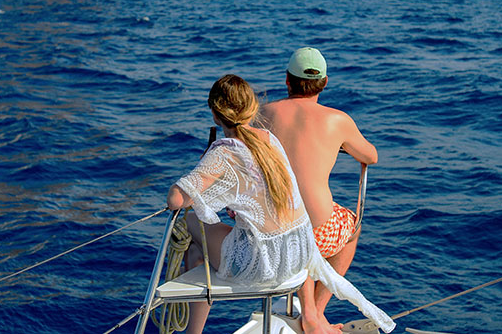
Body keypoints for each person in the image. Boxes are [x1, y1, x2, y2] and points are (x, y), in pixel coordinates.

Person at [168, 75, 393, 334]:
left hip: (263, 264)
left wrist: (188, 181)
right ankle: (314, 313)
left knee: (193, 221)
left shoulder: (222, 152)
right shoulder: (269, 140)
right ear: (251, 109)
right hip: (298, 257)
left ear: (216, 116)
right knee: (199, 251)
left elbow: (176, 199)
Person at [260, 47, 379, 326]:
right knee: (352, 228)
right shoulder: (338, 120)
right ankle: (315, 311)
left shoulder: (263, 113)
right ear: (324, 83)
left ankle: (309, 310)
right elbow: (371, 156)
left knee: (294, 224)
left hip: (267, 229)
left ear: (287, 80)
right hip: (316, 230)